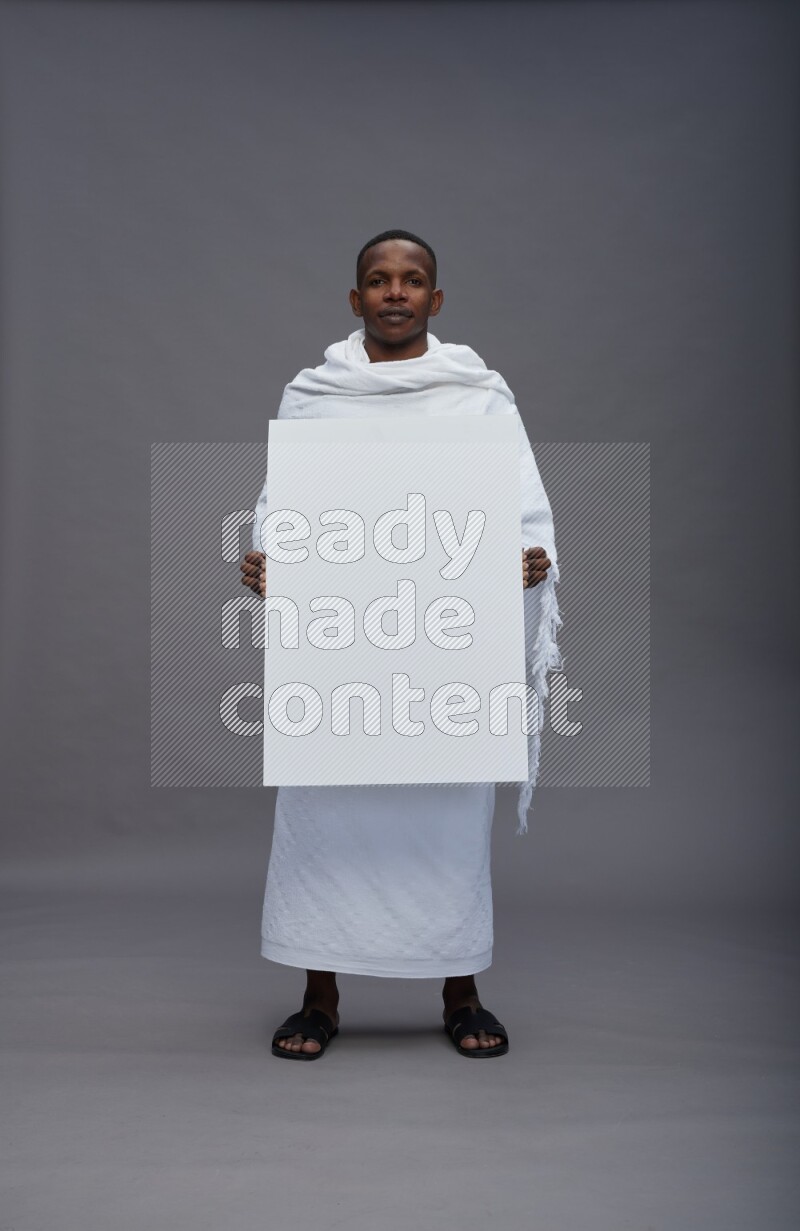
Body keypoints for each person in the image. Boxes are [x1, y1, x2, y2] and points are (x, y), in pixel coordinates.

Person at [240, 230, 560, 1060]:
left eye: (411, 280)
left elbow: (521, 505)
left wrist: (525, 561)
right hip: (345, 654)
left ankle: (461, 990)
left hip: (443, 651)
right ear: (355, 300)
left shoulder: (478, 396)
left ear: (435, 299)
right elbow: (286, 504)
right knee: (327, 812)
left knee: (446, 814)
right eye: (377, 280)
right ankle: (318, 997)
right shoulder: (316, 394)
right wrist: (274, 560)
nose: (394, 292)